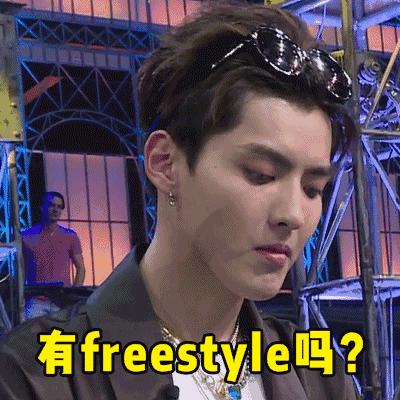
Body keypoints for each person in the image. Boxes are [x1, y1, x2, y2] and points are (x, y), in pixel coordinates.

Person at [0, 3, 358, 399]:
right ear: (164, 163)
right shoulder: (34, 377)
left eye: (312, 188)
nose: (293, 214)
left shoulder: (318, 375)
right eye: (260, 175)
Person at [22, 191, 85, 318]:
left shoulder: (70, 236)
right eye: (52, 205)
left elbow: (80, 268)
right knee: (32, 330)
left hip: (61, 300)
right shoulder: (26, 236)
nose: (56, 210)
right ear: (42, 207)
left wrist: (73, 293)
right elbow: (20, 269)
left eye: (59, 207)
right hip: (36, 300)